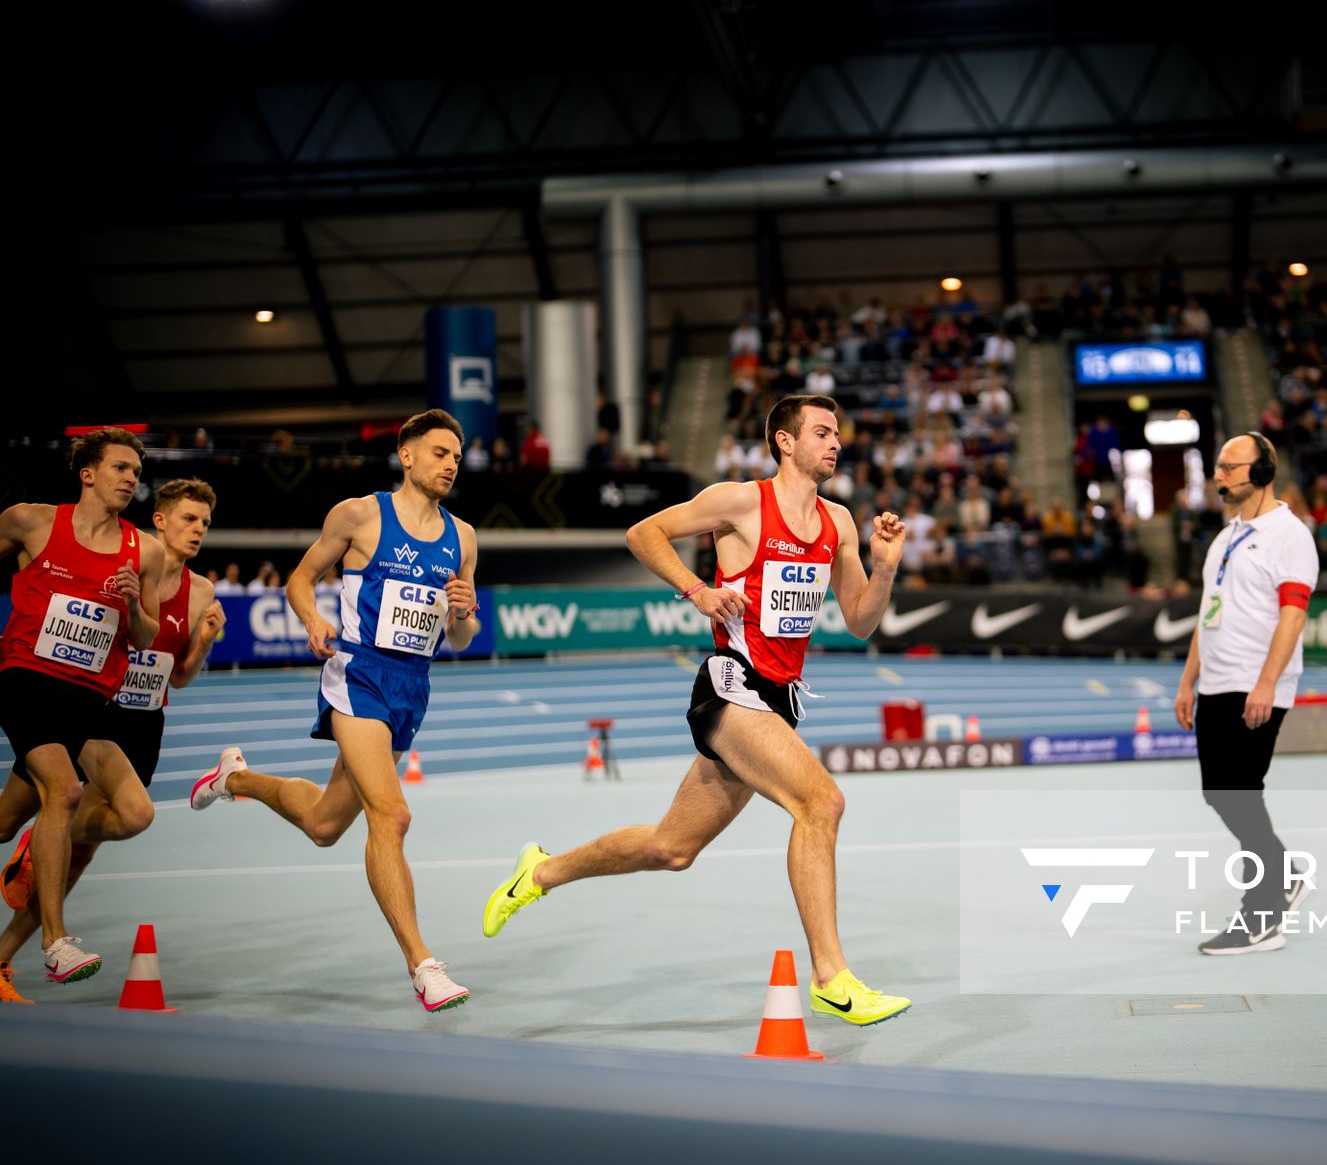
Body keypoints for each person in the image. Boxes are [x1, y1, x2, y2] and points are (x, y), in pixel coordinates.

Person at [480, 393, 914, 1027]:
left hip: (778, 704)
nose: (836, 441)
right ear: (785, 442)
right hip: (730, 688)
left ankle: (539, 873)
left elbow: (860, 622)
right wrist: (698, 589)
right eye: (822, 431)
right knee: (821, 803)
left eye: (838, 432)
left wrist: (884, 571)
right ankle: (832, 978)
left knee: (670, 848)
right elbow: (641, 532)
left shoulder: (839, 525)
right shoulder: (740, 502)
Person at [186, 411, 482, 1013]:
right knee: (392, 817)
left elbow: (461, 639)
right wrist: (313, 618)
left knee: (325, 825)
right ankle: (423, 966)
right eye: (439, 452)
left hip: (412, 687)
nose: (451, 464)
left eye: (457, 455)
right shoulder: (360, 515)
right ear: (406, 454)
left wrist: (462, 611)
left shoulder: (464, 537)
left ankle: (233, 778)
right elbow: (299, 578)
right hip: (359, 676)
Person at [0, 479, 223, 1003]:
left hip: (144, 724)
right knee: (95, 812)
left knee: (62, 843)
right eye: (189, 519)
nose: (199, 531)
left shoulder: (202, 591)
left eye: (206, 523)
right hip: (96, 712)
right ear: (160, 521)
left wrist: (206, 641)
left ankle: (4, 955)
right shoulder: (119, 561)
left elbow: (180, 675)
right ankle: (44, 841)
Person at [0, 428, 166, 987]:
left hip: (89, 698)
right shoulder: (32, 522)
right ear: (87, 473)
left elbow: (144, 637)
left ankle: (33, 847)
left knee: (15, 823)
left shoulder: (145, 551)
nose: (130, 479)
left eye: (136, 473)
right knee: (65, 792)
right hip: (28, 678)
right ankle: (54, 942)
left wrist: (130, 605)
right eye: (120, 468)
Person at [1174, 433, 1318, 955]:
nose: (1220, 475)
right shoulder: (1225, 538)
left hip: (1255, 689)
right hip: (1215, 684)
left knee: (1240, 792)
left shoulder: (1290, 535)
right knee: (1222, 793)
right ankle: (1285, 876)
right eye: (1218, 467)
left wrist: (1266, 682)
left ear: (1261, 472)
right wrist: (1188, 679)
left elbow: (1294, 614)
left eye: (1231, 467)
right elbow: (1207, 615)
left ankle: (1263, 917)